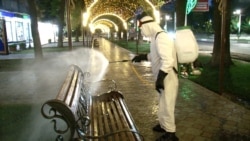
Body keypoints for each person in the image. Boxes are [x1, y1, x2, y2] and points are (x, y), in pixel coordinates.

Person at [132, 12, 179, 141]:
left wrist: (160, 78)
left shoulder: (161, 37)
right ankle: (164, 125)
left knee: (167, 104)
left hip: (168, 77)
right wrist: (142, 57)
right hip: (163, 76)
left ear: (148, 25)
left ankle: (171, 133)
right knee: (162, 102)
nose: (141, 31)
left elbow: (168, 60)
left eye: (141, 28)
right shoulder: (156, 37)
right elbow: (156, 56)